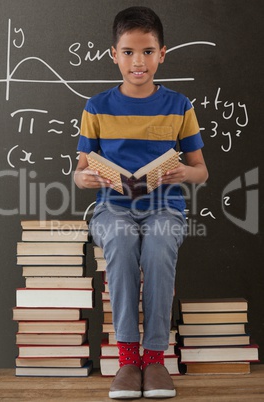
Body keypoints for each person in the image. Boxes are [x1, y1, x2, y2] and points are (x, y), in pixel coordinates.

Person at [74, 6, 208, 399]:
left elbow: (201, 170)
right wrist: (85, 177)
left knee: (160, 248)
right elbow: (80, 171)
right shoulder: (96, 106)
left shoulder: (180, 105)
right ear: (114, 54)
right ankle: (128, 359)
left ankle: (155, 359)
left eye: (148, 52)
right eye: (129, 52)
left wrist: (183, 172)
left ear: (162, 53)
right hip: (112, 207)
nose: (139, 61)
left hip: (164, 205)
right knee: (120, 241)